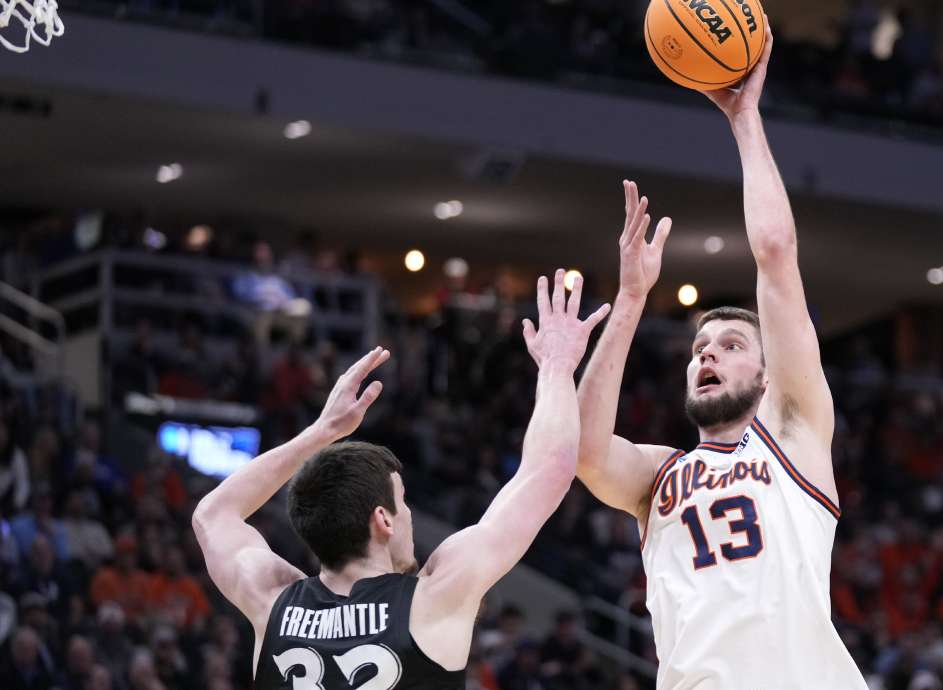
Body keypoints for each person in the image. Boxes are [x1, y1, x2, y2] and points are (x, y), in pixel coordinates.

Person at [575, 21, 868, 689]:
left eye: (731, 344)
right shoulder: (659, 478)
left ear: (766, 376)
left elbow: (774, 255)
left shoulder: (794, 434)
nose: (706, 354)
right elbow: (586, 452)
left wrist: (744, 121)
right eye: (699, 347)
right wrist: (628, 300)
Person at [192, 269, 609, 688]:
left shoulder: (272, 601)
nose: (408, 514)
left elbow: (214, 514)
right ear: (383, 519)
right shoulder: (432, 599)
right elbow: (552, 467)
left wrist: (320, 433)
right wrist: (556, 366)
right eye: (403, 501)